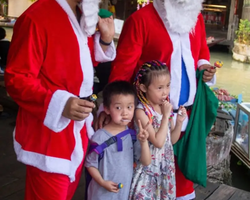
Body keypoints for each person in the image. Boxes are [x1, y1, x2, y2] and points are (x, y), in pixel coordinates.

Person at [97, 0, 217, 199]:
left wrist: (205, 68)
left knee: (183, 186)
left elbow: (202, 53)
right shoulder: (140, 20)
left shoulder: (196, 18)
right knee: (145, 182)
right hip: (150, 119)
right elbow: (122, 70)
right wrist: (108, 108)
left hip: (187, 116)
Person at [4, 0, 116, 199]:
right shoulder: (36, 16)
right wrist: (61, 104)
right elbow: (16, 79)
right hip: (48, 135)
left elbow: (77, 61)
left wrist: (105, 40)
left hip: (78, 129)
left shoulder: (81, 12)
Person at [129, 60, 186, 200]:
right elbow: (158, 142)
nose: (165, 92)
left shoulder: (165, 107)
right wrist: (166, 116)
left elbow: (170, 140)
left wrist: (178, 123)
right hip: (148, 169)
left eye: (167, 86)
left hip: (165, 166)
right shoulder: (141, 112)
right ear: (143, 88)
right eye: (159, 88)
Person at [85, 80, 151, 200]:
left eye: (129, 107)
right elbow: (90, 164)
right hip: (100, 194)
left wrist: (143, 142)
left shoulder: (132, 136)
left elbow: (145, 162)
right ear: (107, 109)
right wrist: (102, 182)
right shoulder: (99, 137)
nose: (125, 112)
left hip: (123, 194)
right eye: (118, 107)